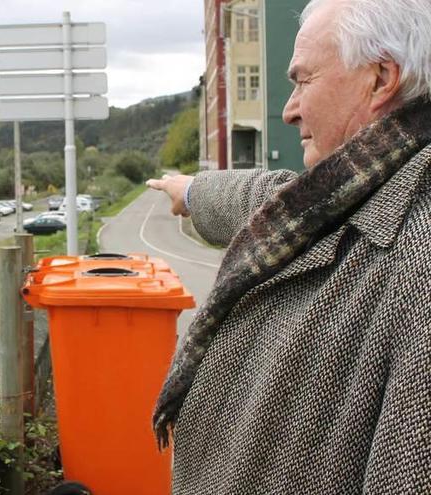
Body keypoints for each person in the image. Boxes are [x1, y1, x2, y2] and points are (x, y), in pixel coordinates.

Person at [146, 0, 431, 493]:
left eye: (303, 80)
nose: (289, 108)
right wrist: (189, 192)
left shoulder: (417, 257)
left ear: (382, 78)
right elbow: (267, 199)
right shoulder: (355, 188)